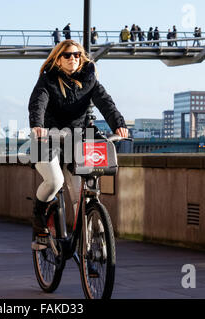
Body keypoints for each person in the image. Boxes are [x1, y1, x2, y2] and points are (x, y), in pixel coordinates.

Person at [28, 39, 128, 250]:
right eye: (67, 55)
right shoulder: (48, 80)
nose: (73, 58)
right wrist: (37, 125)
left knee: (79, 196)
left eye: (77, 55)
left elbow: (105, 102)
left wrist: (118, 124)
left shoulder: (89, 80)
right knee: (54, 181)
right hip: (47, 138)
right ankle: (39, 216)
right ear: (58, 58)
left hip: (76, 140)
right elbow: (38, 103)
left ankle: (88, 248)